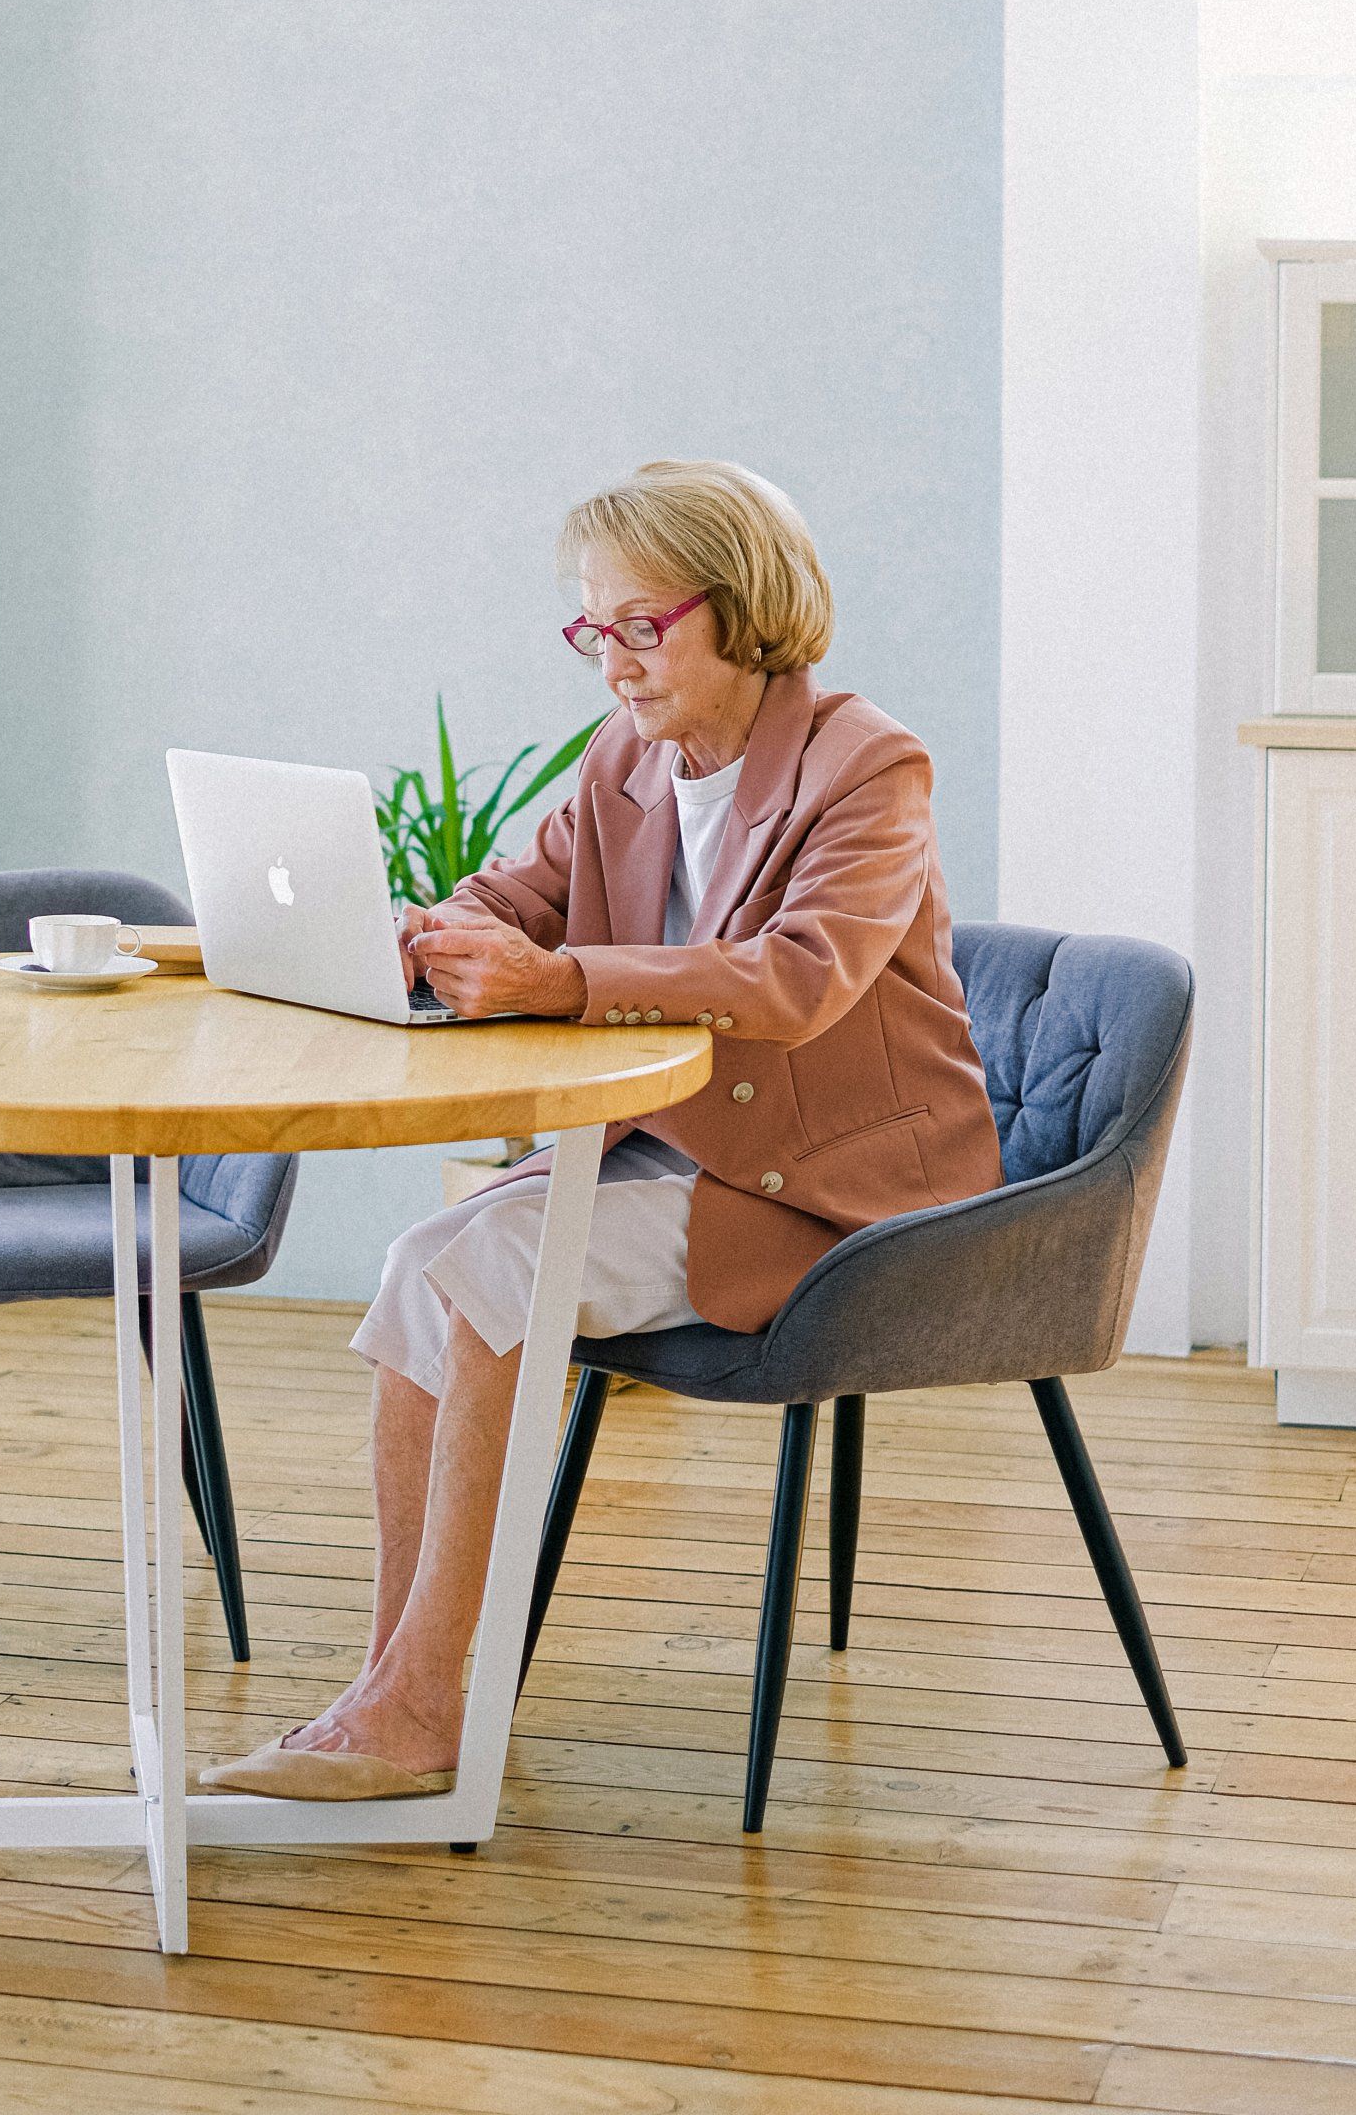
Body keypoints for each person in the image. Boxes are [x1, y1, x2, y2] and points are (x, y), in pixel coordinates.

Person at [202, 458, 1000, 1800]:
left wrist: (562, 981)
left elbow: (800, 976)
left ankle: (420, 1705)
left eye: (642, 626)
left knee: (487, 1267)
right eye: (593, 629)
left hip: (833, 1189)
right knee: (422, 1265)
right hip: (677, 1152)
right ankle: (400, 1685)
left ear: (742, 608)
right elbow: (523, 888)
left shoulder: (869, 766)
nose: (612, 664)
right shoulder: (628, 756)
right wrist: (441, 930)